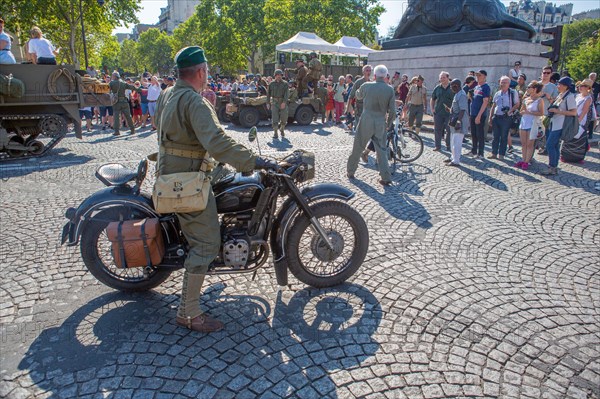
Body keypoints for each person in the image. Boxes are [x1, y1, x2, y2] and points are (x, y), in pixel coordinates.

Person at [155, 46, 275, 333]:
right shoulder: (194, 102)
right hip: (187, 181)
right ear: (200, 71)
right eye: (206, 70)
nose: (207, 74)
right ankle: (189, 314)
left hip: (176, 172)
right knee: (206, 244)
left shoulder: (167, 94)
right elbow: (218, 143)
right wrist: (254, 159)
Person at [347, 64, 396, 186]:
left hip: (366, 119)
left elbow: (358, 95)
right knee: (382, 150)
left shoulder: (366, 85)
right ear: (385, 76)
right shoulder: (389, 89)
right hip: (380, 121)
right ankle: (385, 177)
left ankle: (351, 171)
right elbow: (393, 111)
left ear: (374, 75)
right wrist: (388, 124)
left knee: (358, 146)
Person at [542, 77, 577, 175]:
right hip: (554, 123)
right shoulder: (560, 95)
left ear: (566, 86)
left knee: (549, 145)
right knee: (555, 145)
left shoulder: (569, 97)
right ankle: (554, 167)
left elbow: (573, 112)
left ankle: (552, 166)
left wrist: (557, 111)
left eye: (560, 84)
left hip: (560, 124)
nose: (558, 86)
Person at [561, 78, 594, 163]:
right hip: (572, 118)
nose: (581, 87)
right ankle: (565, 155)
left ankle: (578, 157)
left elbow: (584, 112)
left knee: (578, 138)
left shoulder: (588, 98)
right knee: (568, 136)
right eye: (580, 85)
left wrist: (578, 121)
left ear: (588, 88)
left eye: (583, 86)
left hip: (580, 120)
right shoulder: (577, 96)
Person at [488, 76, 520, 160]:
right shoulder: (497, 93)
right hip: (496, 116)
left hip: (506, 118)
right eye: (501, 82)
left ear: (509, 84)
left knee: (504, 136)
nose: (502, 84)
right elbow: (493, 105)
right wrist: (490, 117)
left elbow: (517, 104)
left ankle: (501, 154)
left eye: (505, 82)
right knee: (495, 136)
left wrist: (510, 111)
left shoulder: (513, 93)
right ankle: (494, 153)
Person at [516, 81, 544, 170]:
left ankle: (527, 161)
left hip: (533, 123)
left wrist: (530, 112)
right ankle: (523, 159)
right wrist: (523, 112)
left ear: (535, 89)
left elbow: (541, 113)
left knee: (530, 144)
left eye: (529, 87)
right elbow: (521, 111)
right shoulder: (526, 99)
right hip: (524, 122)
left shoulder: (540, 100)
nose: (527, 89)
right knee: (523, 144)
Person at [444, 79, 468, 166]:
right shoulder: (457, 94)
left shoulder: (461, 95)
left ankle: (456, 160)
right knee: (452, 140)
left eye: (452, 86)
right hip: (454, 120)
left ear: (457, 85)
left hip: (458, 122)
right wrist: (449, 109)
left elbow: (462, 109)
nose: (451, 88)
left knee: (457, 142)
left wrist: (459, 121)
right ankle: (452, 157)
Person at [109, 72, 140, 136]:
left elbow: (107, 90)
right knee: (128, 116)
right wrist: (139, 89)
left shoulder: (111, 83)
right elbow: (132, 87)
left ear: (114, 76)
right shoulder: (123, 83)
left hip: (116, 102)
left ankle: (117, 131)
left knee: (116, 117)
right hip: (124, 102)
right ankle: (132, 129)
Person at [468, 70, 490, 158]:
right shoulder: (477, 87)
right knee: (473, 133)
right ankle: (473, 151)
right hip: (473, 113)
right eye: (477, 75)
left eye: (480, 75)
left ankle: (481, 153)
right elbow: (474, 99)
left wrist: (479, 115)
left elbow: (485, 102)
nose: (478, 77)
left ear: (484, 76)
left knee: (480, 134)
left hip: (480, 114)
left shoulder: (486, 87)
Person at [538, 66, 559, 155]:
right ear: (541, 73)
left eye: (548, 73)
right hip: (535, 112)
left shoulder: (553, 87)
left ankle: (544, 148)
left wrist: (548, 97)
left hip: (546, 113)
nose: (545, 74)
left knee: (545, 133)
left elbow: (556, 102)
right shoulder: (536, 84)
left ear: (550, 74)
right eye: (544, 73)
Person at [431, 71, 454, 151]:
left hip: (449, 113)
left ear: (448, 78)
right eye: (441, 78)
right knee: (437, 129)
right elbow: (433, 99)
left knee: (449, 130)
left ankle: (449, 146)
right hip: (438, 112)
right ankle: (437, 146)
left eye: (444, 77)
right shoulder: (437, 88)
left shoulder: (453, 87)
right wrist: (432, 109)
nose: (442, 79)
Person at [346, 65, 372, 131]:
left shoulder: (372, 83)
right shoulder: (358, 82)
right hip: (359, 108)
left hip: (369, 108)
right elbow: (351, 96)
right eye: (367, 70)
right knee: (359, 127)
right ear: (363, 72)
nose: (368, 72)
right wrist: (347, 109)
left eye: (370, 70)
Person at [267, 69, 289, 139]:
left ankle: (282, 128)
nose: (279, 76)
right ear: (275, 76)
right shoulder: (271, 84)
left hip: (282, 101)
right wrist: (268, 103)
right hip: (274, 102)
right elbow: (268, 94)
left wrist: (284, 102)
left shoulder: (285, 84)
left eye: (280, 75)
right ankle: (275, 132)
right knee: (275, 118)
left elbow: (287, 94)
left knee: (284, 117)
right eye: (277, 75)